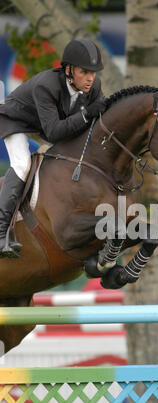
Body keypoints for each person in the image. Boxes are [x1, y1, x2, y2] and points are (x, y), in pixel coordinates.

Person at [0, 38, 105, 258]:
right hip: (16, 120)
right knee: (22, 165)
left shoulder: (94, 87)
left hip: (45, 123)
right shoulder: (46, 86)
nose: (90, 79)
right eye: (84, 72)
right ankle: (1, 232)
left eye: (93, 73)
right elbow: (56, 132)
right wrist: (86, 114)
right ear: (68, 70)